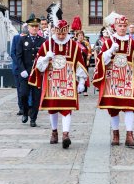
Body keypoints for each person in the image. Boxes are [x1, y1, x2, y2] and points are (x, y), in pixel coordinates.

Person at [29, 19, 89, 149]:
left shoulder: (73, 45)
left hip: (68, 81)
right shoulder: (47, 44)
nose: (61, 36)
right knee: (53, 107)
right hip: (52, 81)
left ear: (67, 31)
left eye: (63, 34)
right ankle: (54, 131)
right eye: (59, 33)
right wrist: (46, 57)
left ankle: (65, 134)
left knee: (67, 108)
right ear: (55, 31)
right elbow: (38, 66)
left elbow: (79, 63)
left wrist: (82, 81)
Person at [93, 12, 134, 147]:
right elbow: (101, 60)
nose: (122, 28)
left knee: (129, 107)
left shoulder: (132, 43)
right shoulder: (109, 42)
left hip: (128, 79)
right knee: (114, 107)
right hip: (113, 79)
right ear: (115, 27)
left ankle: (129, 134)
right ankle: (115, 134)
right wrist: (110, 51)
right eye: (119, 26)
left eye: (124, 26)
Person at [16, 15, 46, 127]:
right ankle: (25, 111)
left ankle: (33, 118)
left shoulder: (43, 41)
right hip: (25, 73)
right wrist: (22, 70)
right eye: (32, 26)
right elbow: (18, 56)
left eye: (36, 26)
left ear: (38, 28)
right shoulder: (22, 40)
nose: (34, 28)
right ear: (28, 28)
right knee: (23, 94)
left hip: (38, 73)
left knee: (36, 97)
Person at [11, 23, 28, 115]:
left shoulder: (30, 38)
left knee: (27, 89)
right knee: (19, 89)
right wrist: (19, 64)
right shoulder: (16, 38)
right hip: (18, 68)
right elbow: (12, 53)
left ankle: (28, 107)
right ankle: (21, 107)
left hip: (27, 68)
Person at [75, 30, 91, 96]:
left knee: (84, 76)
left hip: (84, 61)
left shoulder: (86, 43)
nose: (80, 37)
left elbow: (89, 52)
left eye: (81, 35)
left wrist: (88, 60)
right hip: (77, 62)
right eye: (79, 35)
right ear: (77, 36)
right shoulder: (74, 43)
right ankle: (78, 89)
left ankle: (85, 90)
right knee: (77, 76)